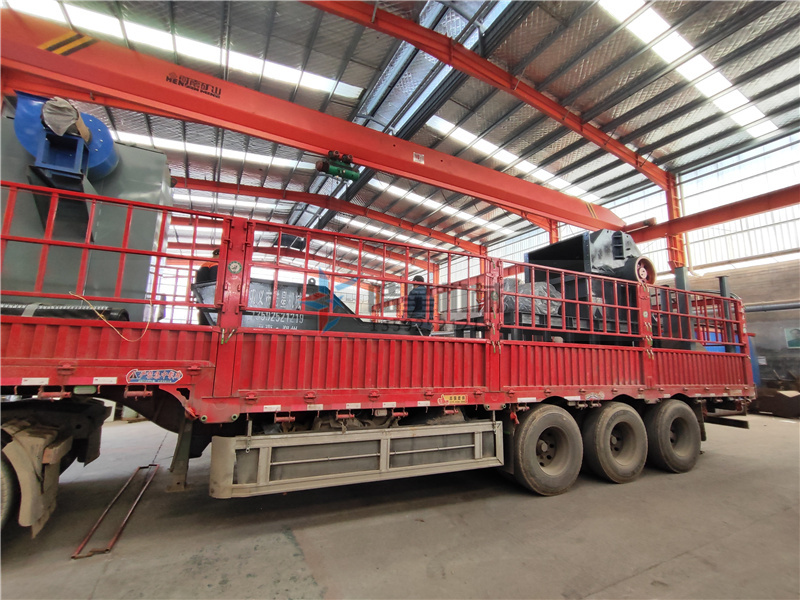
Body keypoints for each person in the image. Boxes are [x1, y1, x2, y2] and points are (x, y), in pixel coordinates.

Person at [194, 249, 219, 325]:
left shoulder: (205, 264)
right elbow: (214, 282)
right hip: (211, 298)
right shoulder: (215, 265)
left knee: (203, 319)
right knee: (211, 321)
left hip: (202, 296)